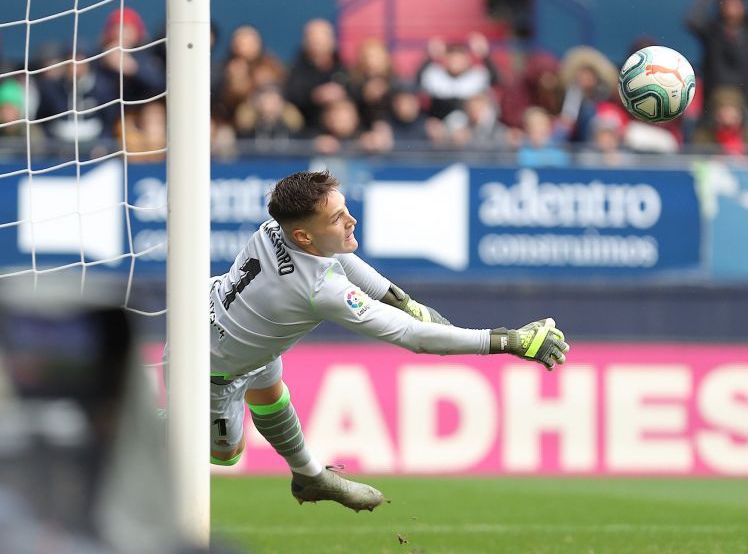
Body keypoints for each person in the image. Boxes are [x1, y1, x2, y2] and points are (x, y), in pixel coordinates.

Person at [207, 171, 569, 510]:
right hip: (212, 368)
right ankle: (156, 420)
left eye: (345, 209)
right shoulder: (322, 289)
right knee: (228, 453)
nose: (351, 220)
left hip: (217, 318)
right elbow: (413, 337)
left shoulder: (275, 228)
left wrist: (407, 302)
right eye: (337, 219)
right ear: (304, 236)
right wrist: (509, 341)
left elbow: (341, 260)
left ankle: (309, 475)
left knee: (269, 390)